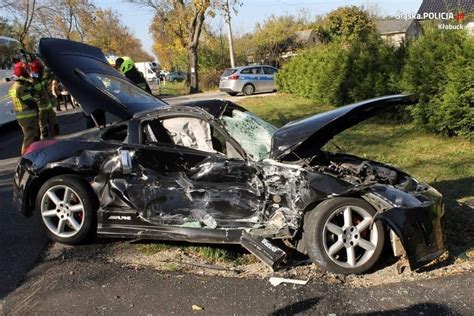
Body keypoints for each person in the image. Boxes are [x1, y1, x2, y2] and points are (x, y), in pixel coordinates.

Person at [8, 62, 39, 154]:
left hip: (21, 117)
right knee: (29, 138)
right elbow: (30, 101)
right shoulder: (21, 88)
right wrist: (35, 97)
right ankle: (25, 157)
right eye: (25, 70)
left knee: (29, 136)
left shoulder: (12, 87)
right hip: (28, 116)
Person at [30, 59, 59, 138]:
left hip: (48, 107)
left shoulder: (41, 79)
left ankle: (56, 139)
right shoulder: (32, 82)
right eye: (40, 71)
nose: (42, 72)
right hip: (40, 109)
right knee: (43, 128)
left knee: (55, 125)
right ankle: (44, 143)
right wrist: (38, 97)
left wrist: (52, 97)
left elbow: (47, 91)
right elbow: (31, 95)